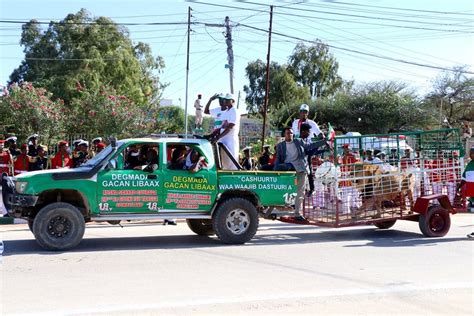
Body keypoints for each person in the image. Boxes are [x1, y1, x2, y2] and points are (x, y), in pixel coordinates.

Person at [274, 127, 326, 221]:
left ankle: (297, 213)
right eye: (287, 133)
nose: (289, 134)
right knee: (283, 190)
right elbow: (277, 159)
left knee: (300, 192)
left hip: (300, 169)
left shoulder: (299, 141)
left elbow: (310, 146)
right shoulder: (280, 146)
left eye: (291, 133)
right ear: (284, 135)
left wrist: (323, 141)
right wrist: (275, 171)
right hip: (287, 171)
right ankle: (281, 209)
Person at [213, 93, 240, 170]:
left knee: (232, 163)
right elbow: (221, 127)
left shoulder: (234, 111)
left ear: (233, 101)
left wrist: (218, 137)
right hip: (223, 140)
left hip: (231, 141)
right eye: (225, 100)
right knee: (225, 163)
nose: (226, 101)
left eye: (228, 100)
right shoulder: (226, 112)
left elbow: (230, 127)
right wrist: (211, 135)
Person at [339, 144, 361, 216]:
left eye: (346, 148)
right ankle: (346, 210)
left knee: (355, 193)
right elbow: (340, 166)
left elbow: (358, 164)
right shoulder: (341, 157)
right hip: (345, 177)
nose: (345, 150)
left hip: (353, 176)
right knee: (345, 195)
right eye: (344, 148)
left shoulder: (353, 156)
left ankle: (356, 207)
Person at [456, 147, 474, 238]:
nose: (471, 155)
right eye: (470, 153)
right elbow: (464, 178)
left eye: (473, 153)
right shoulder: (470, 164)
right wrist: (459, 187)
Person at [300, 123, 316, 196]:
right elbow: (308, 152)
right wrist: (317, 147)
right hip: (300, 165)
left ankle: (311, 189)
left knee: (310, 176)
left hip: (307, 162)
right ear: (303, 131)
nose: (309, 133)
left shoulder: (307, 140)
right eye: (308, 131)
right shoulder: (299, 141)